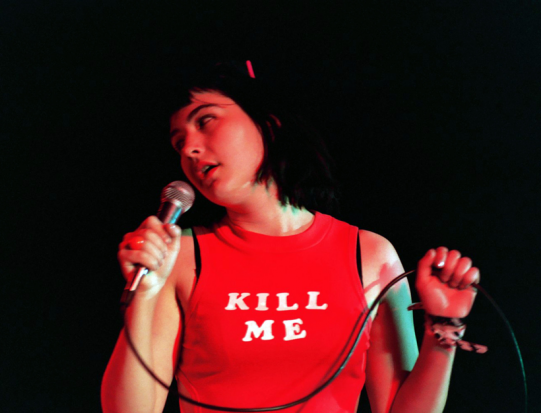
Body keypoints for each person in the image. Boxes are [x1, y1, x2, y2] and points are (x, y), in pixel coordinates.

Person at [101, 61, 481, 413]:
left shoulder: (367, 254)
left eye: (206, 121)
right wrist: (143, 300)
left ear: (269, 123)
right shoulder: (181, 255)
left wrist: (444, 330)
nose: (190, 148)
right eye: (178, 141)